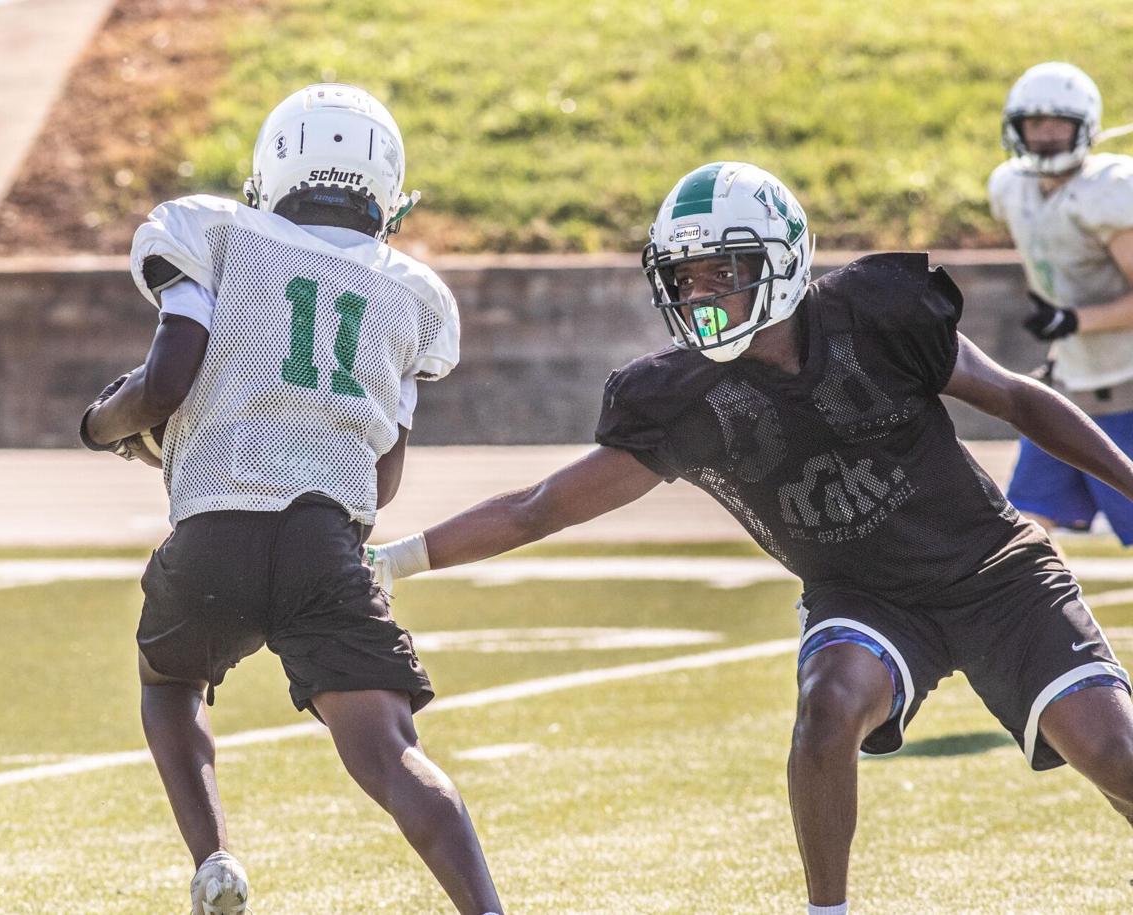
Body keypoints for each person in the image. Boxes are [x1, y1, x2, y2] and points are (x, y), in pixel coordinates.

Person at [369, 161, 1133, 914]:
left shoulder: (876, 314)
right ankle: (825, 910)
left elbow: (1018, 399)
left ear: (785, 259)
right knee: (828, 703)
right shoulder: (682, 397)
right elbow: (541, 505)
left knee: (1112, 755)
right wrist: (399, 557)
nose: (702, 294)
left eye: (721, 271)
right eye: (686, 278)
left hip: (992, 571)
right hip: (865, 599)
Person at [79, 84, 503, 915]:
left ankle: (214, 858)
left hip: (213, 534)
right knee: (390, 754)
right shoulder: (412, 294)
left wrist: (102, 425)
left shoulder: (214, 231)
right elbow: (379, 480)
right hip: (325, 540)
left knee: (169, 682)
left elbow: (167, 381)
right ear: (386, 186)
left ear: (272, 169)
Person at [989, 61, 1133, 545]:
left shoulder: (1109, 191)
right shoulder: (1011, 187)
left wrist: (1073, 319)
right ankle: (1027, 623)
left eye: (1058, 124)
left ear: (1084, 127)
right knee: (1023, 533)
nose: (1047, 136)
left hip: (1126, 390)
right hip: (1068, 390)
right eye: (1036, 124)